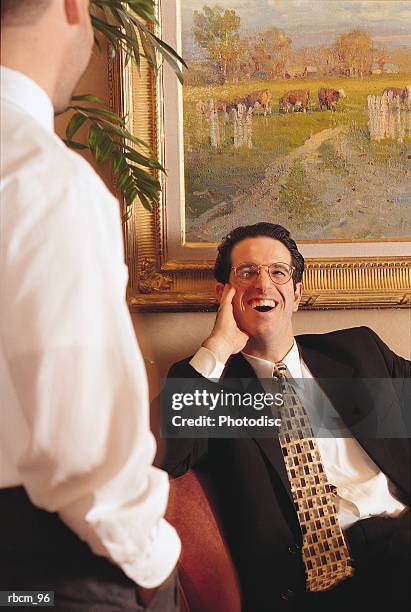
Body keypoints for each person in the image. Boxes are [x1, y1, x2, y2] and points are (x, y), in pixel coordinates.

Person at [0, 1, 180, 609]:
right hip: (46, 565)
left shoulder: (364, 359)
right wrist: (152, 559)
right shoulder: (40, 181)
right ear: (72, 6)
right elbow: (86, 453)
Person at [161, 222, 410, 611]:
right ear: (222, 294)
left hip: (399, 533)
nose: (263, 285)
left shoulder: (357, 351)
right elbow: (167, 457)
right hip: (316, 577)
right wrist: (220, 344)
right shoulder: (208, 382)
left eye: (278, 272)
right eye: (247, 273)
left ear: (296, 293)